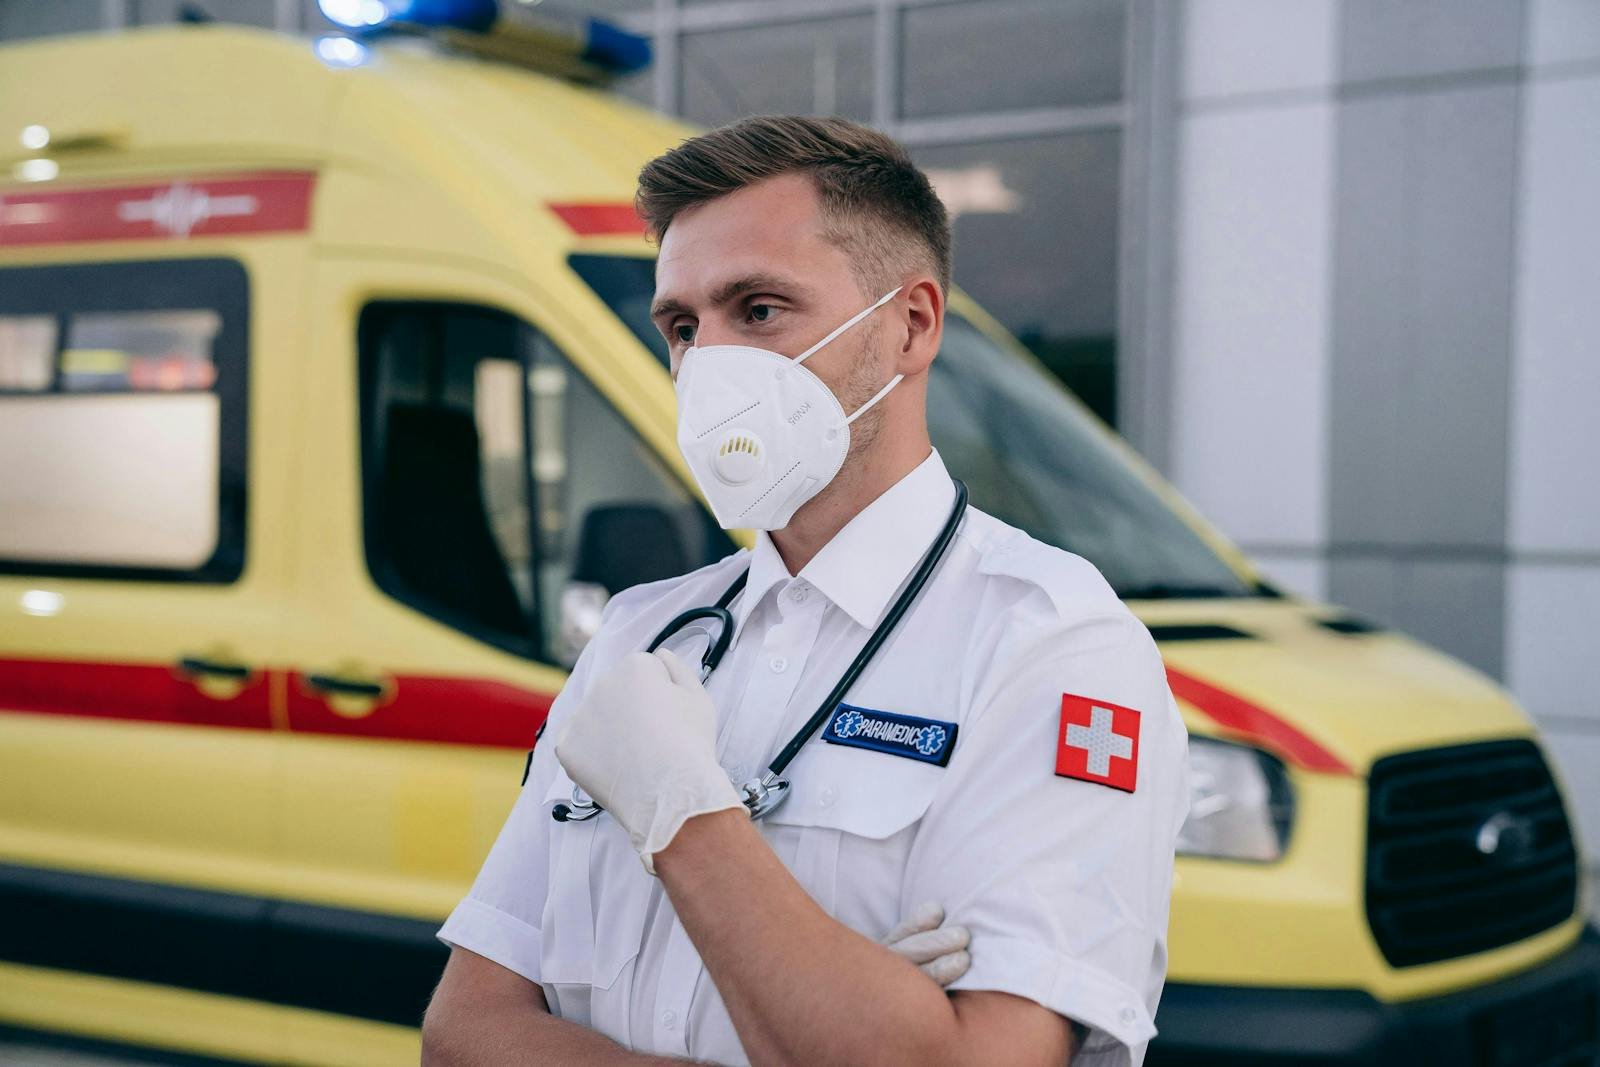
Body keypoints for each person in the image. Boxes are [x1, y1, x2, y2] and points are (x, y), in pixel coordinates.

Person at [422, 115, 1191, 1067]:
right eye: (682, 327)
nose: (709, 366)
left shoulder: (1048, 644)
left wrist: (686, 818)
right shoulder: (645, 634)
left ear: (911, 324)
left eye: (758, 310)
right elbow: (463, 1034)